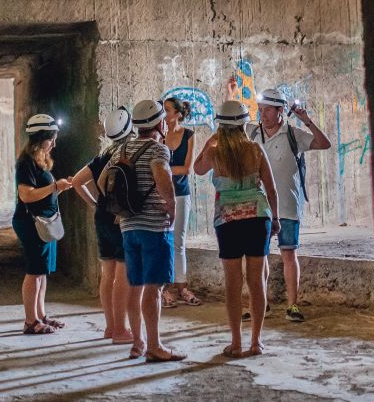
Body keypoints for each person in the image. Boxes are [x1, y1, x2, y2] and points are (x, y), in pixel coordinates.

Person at [193, 99, 280, 357]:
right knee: (257, 282)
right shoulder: (256, 150)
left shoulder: (215, 152)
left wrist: (210, 140)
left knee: (233, 284)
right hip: (257, 218)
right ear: (244, 124)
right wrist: (275, 218)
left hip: (228, 221)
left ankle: (236, 342)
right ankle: (256, 342)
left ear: (220, 124)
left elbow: (197, 169)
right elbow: (271, 189)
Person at [103, 99, 185, 362]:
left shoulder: (121, 149)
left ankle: (137, 342)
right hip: (153, 226)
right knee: (154, 287)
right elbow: (162, 176)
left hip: (128, 225)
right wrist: (171, 207)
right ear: (159, 123)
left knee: (135, 285)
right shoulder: (158, 150)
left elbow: (105, 180)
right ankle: (155, 345)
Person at [247, 88, 331, 322]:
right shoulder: (252, 132)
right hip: (258, 206)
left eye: (267, 111)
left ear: (280, 111)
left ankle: (292, 305)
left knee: (288, 253)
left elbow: (324, 144)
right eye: (260, 110)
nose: (262, 115)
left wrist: (307, 121)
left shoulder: (294, 135)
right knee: (257, 257)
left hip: (287, 205)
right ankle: (259, 304)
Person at [70, 107, 135, 344]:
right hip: (120, 218)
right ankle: (121, 329)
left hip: (102, 216)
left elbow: (77, 182)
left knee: (107, 275)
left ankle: (110, 327)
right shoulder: (127, 154)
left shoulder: (101, 157)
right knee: (122, 275)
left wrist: (94, 202)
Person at [12, 113, 73, 335]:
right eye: (52, 138)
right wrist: (55, 187)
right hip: (31, 223)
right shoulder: (26, 163)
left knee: (42, 272)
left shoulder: (41, 160)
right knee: (34, 272)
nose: (54, 144)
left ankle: (41, 315)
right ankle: (31, 321)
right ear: (40, 138)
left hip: (45, 223)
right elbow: (26, 195)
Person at [161, 97, 201, 308]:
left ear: (177, 113)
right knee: (163, 241)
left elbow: (186, 169)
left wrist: (165, 169)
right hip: (161, 194)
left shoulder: (189, 135)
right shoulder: (159, 137)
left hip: (181, 194)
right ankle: (165, 289)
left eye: (167, 110)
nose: (164, 114)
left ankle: (181, 287)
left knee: (179, 242)